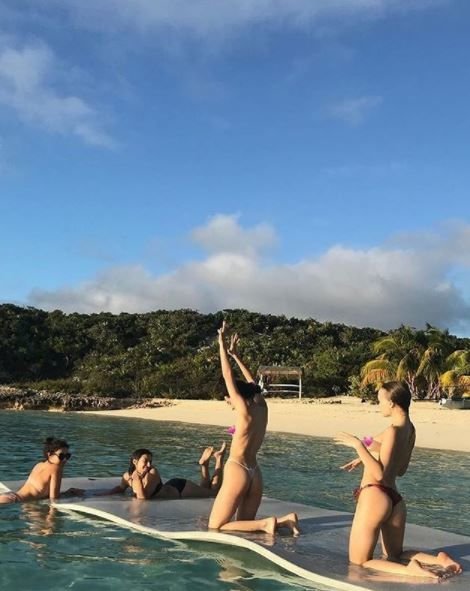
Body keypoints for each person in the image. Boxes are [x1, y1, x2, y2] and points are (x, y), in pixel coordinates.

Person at [335, 381, 462, 580]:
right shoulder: (409, 430)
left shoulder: (392, 430)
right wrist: (366, 453)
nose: (378, 405)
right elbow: (399, 468)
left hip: (375, 495)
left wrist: (357, 446)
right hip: (395, 500)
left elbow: (379, 474)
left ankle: (410, 571)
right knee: (395, 555)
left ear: (392, 403)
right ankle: (439, 560)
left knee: (359, 561)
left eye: (380, 401)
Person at [208, 322, 299, 535]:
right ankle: (283, 522)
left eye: (229, 398)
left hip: (237, 468)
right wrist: (236, 355)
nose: (228, 401)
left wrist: (221, 344)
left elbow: (227, 376)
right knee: (243, 525)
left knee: (215, 526)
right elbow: (254, 385)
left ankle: (267, 524)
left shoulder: (244, 411)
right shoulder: (262, 408)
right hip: (255, 473)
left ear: (239, 397)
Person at [109, 443, 226, 499]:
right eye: (146, 461)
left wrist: (137, 478)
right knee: (205, 489)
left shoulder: (152, 473)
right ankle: (204, 465)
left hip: (181, 490)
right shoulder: (127, 476)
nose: (149, 465)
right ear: (135, 462)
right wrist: (102, 494)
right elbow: (120, 488)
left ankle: (219, 459)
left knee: (214, 493)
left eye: (150, 461)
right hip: (171, 486)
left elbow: (143, 497)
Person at [0, 437, 81, 504]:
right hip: (15, 501)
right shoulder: (56, 468)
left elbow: (40, 491)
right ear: (49, 454)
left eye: (67, 456)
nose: (65, 459)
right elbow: (54, 498)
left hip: (10, 497)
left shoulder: (39, 465)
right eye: (61, 456)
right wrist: (69, 494)